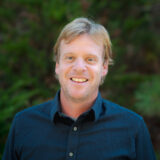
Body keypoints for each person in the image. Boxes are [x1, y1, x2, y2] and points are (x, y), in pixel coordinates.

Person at [3, 17, 156, 160]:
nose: (79, 68)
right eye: (70, 58)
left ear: (104, 67)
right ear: (57, 65)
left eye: (90, 59)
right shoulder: (23, 125)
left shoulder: (132, 128)